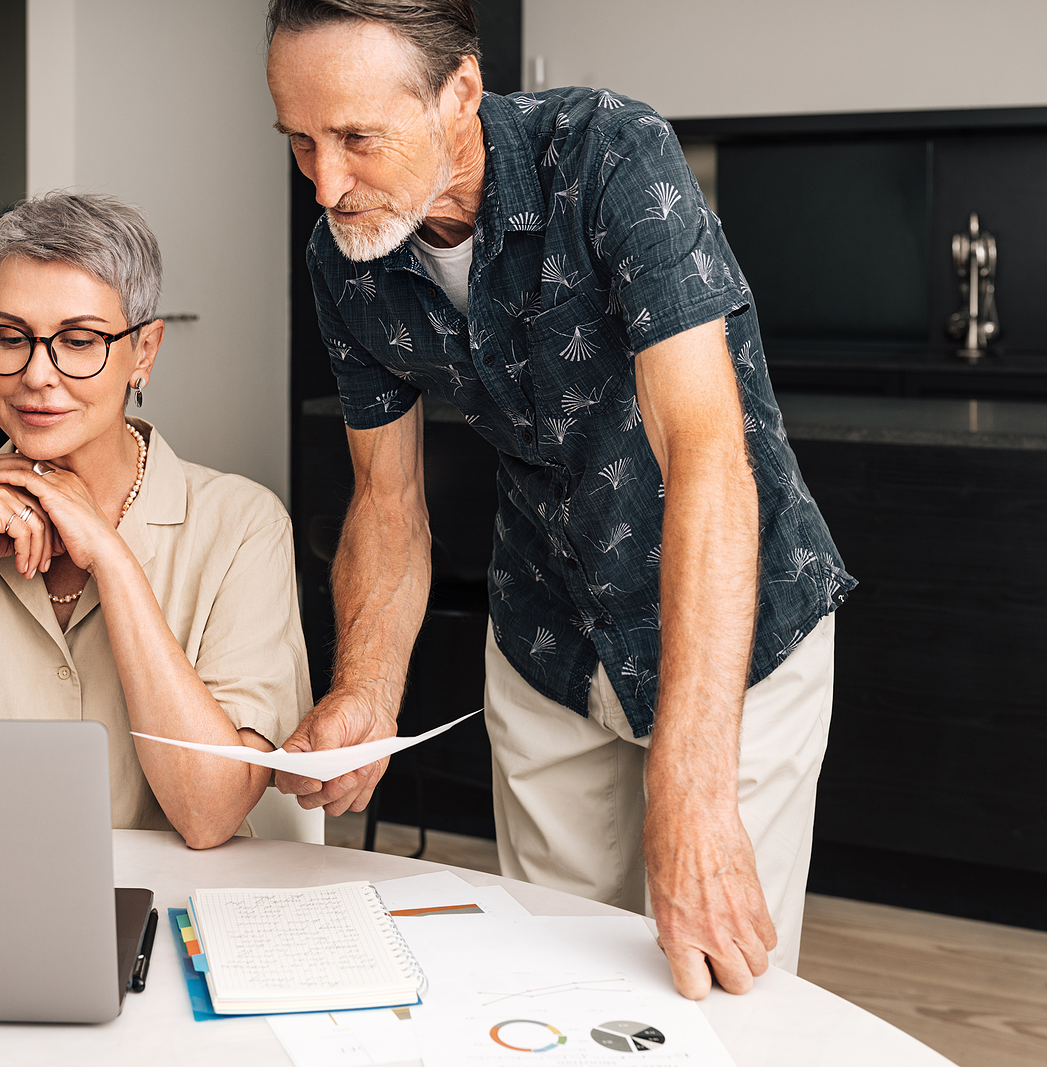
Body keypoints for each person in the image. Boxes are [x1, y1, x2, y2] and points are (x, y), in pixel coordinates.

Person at [264, 0, 853, 998]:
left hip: (730, 644)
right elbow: (386, 500)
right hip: (545, 637)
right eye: (299, 142)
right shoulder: (344, 262)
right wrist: (365, 685)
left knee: (713, 980)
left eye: (357, 138)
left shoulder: (612, 159)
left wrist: (692, 780)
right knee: (555, 988)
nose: (324, 182)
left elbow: (706, 458)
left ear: (458, 94)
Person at [0, 192, 311, 849]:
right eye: (10, 337)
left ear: (144, 352)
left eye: (79, 341)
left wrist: (112, 558)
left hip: (173, 914)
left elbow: (210, 812)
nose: (37, 375)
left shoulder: (243, 526)